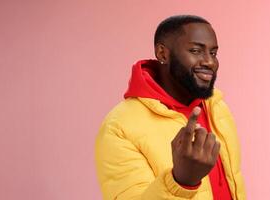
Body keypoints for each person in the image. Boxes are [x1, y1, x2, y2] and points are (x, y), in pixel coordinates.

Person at [95, 15, 245, 200]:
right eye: (196, 50)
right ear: (163, 54)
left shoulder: (217, 107)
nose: (209, 62)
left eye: (213, 53)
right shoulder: (119, 127)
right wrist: (181, 182)